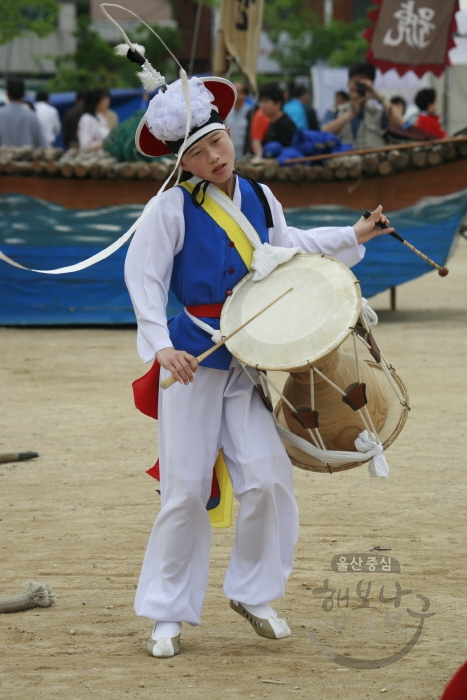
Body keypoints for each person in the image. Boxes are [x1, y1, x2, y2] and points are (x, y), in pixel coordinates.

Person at [123, 75, 392, 659]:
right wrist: (158, 347)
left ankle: (254, 592)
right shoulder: (168, 207)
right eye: (196, 152)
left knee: (269, 479)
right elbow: (142, 280)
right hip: (191, 358)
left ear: (230, 134)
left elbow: (285, 247)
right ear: (182, 161)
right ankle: (167, 612)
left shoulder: (261, 196)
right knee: (185, 489)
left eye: (217, 142)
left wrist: (353, 233)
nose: (213, 158)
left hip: (248, 360)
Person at [321, 62, 404, 148]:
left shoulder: (378, 113)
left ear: (371, 85)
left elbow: (400, 124)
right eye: (356, 84)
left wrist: (378, 96)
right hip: (344, 160)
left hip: (374, 160)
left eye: (364, 85)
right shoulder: (335, 111)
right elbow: (324, 133)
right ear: (348, 85)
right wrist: (352, 112)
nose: (360, 88)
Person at [252, 83, 296, 158]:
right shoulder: (271, 123)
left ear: (278, 103)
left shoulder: (287, 125)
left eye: (266, 101)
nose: (262, 106)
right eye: (261, 101)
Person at [0, 78, 47, 148]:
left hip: (4, 158)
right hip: (27, 158)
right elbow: (43, 145)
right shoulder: (32, 116)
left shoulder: (1, 114)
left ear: (7, 94)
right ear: (24, 94)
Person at [225, 81, 251, 157]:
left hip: (243, 155)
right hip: (228, 154)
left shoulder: (250, 113)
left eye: (237, 91)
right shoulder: (227, 111)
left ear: (244, 95)